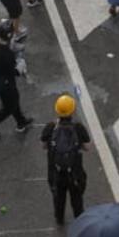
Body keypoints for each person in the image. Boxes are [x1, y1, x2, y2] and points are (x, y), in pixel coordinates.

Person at [43, 95, 90, 225]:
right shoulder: (78, 128)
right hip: (75, 173)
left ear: (57, 111)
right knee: (76, 199)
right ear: (72, 111)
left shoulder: (51, 127)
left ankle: (59, 218)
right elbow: (87, 147)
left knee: (58, 198)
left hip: (56, 173)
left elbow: (43, 146)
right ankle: (79, 220)